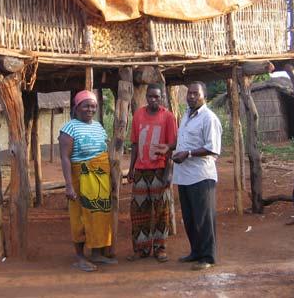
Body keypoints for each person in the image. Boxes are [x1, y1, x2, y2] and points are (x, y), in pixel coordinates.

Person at [58, 90, 117, 272]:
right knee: (80, 217)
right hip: (80, 178)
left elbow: (104, 152)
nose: (90, 109)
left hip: (100, 178)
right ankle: (80, 257)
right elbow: (65, 158)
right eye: (86, 106)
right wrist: (68, 185)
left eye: (93, 106)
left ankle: (97, 253)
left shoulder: (99, 126)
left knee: (100, 214)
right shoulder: (69, 128)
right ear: (77, 108)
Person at [171, 81, 222, 271]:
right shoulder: (186, 116)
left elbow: (212, 148)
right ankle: (196, 252)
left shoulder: (209, 118)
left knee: (204, 218)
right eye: (189, 93)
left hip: (201, 176)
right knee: (190, 217)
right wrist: (170, 148)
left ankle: (208, 256)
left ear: (204, 96)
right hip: (184, 176)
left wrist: (188, 154)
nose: (191, 96)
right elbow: (183, 142)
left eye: (195, 94)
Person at [127, 84, 177, 263]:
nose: (153, 100)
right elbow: (134, 144)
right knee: (138, 211)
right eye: (150, 96)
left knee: (161, 210)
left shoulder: (168, 117)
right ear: (146, 97)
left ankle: (160, 247)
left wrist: (168, 173)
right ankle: (141, 248)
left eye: (156, 97)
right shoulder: (138, 115)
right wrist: (131, 168)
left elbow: (172, 146)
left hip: (159, 169)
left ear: (162, 97)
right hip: (140, 170)